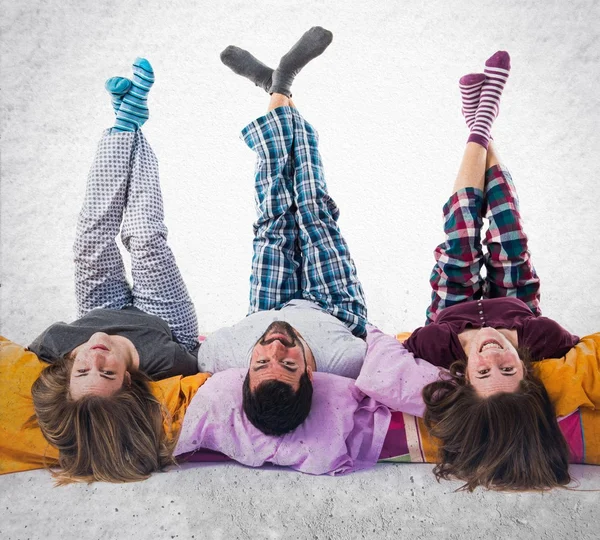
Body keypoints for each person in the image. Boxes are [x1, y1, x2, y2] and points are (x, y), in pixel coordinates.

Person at [405, 51, 577, 490]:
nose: (495, 356)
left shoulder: (435, 347)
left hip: (453, 305)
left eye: (484, 372)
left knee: (462, 224)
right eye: (509, 370)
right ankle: (482, 116)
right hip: (515, 297)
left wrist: (454, 339)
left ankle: (480, 120)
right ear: (529, 375)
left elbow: (394, 354)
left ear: (463, 377)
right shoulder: (545, 340)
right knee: (507, 225)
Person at [29, 58, 199, 483]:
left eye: (83, 370)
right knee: (143, 236)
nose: (96, 357)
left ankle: (125, 123)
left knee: (90, 237)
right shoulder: (166, 360)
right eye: (107, 373)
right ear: (130, 381)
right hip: (163, 319)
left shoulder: (56, 345)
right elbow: (195, 360)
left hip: (99, 307)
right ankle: (129, 121)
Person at [196, 27, 369, 435]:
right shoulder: (346, 361)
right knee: (310, 203)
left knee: (273, 211)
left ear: (244, 371)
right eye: (289, 364)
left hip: (268, 305)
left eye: (262, 363)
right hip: (334, 308)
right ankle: (281, 84)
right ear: (311, 374)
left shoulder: (222, 356)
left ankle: (277, 86)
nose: (276, 346)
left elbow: (201, 355)